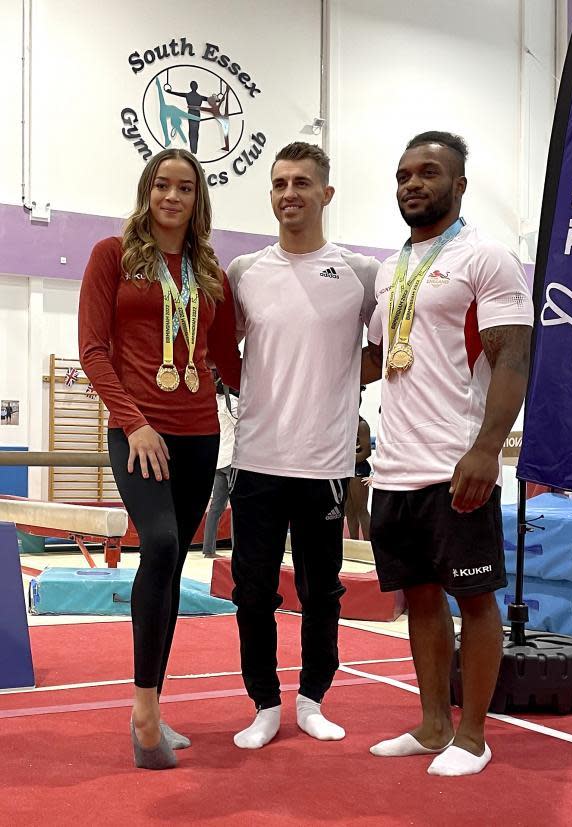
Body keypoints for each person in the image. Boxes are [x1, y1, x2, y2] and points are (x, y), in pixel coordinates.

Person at [362, 131, 533, 776]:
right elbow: (380, 359)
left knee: (476, 599)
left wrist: (487, 450)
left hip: (456, 462)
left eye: (429, 173)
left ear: (459, 184)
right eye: (404, 174)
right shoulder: (391, 269)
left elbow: (513, 355)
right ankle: (432, 724)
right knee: (422, 598)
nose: (413, 183)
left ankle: (472, 737)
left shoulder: (487, 258)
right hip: (396, 465)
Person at [78, 147, 241, 770]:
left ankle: (156, 702)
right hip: (140, 431)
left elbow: (228, 360)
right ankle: (143, 708)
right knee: (166, 545)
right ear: (147, 191)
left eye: (185, 189)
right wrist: (134, 422)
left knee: (169, 571)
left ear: (199, 200)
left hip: (200, 433)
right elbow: (94, 350)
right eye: (162, 185)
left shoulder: (209, 272)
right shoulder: (111, 256)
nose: (172, 197)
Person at [227, 142, 379, 749]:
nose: (289, 193)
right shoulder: (243, 273)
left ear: (326, 194)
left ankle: (313, 697)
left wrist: (337, 383)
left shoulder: (360, 274)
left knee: (323, 589)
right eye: (279, 183)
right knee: (252, 591)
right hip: (258, 458)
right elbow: (220, 354)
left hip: (325, 462)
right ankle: (264, 703)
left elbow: (383, 353)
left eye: (302, 183)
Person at [202, 373, 237, 557]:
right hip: (232, 460)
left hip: (219, 459)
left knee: (216, 507)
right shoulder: (231, 402)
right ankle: (238, 550)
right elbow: (241, 423)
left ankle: (208, 550)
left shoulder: (212, 403)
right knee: (237, 507)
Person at [344, 390, 372, 540]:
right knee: (349, 509)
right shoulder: (345, 423)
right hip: (347, 469)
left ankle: (368, 544)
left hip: (359, 469)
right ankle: (353, 542)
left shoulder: (362, 425)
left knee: (361, 509)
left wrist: (347, 460)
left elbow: (366, 452)